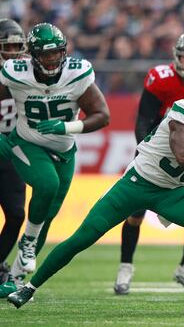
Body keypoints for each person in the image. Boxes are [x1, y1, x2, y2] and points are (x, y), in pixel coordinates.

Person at [7, 80, 184, 315]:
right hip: (136, 184)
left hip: (172, 192)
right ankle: (28, 288)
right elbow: (182, 154)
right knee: (83, 237)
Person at [0, 23, 110, 297]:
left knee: (47, 215)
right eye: (46, 55)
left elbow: (102, 115)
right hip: (27, 143)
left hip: (64, 149)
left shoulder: (76, 73)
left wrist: (67, 127)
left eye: (56, 53)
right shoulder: (16, 73)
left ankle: (13, 279)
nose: (52, 60)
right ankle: (27, 244)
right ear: (33, 55)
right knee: (46, 185)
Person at [114, 31, 184, 295]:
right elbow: (143, 120)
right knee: (135, 211)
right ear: (177, 57)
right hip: (158, 147)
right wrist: (146, 151)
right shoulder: (160, 78)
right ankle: (125, 266)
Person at [0, 18, 27, 283]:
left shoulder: (29, 74)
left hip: (12, 152)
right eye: (8, 47)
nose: (14, 52)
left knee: (17, 214)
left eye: (18, 46)